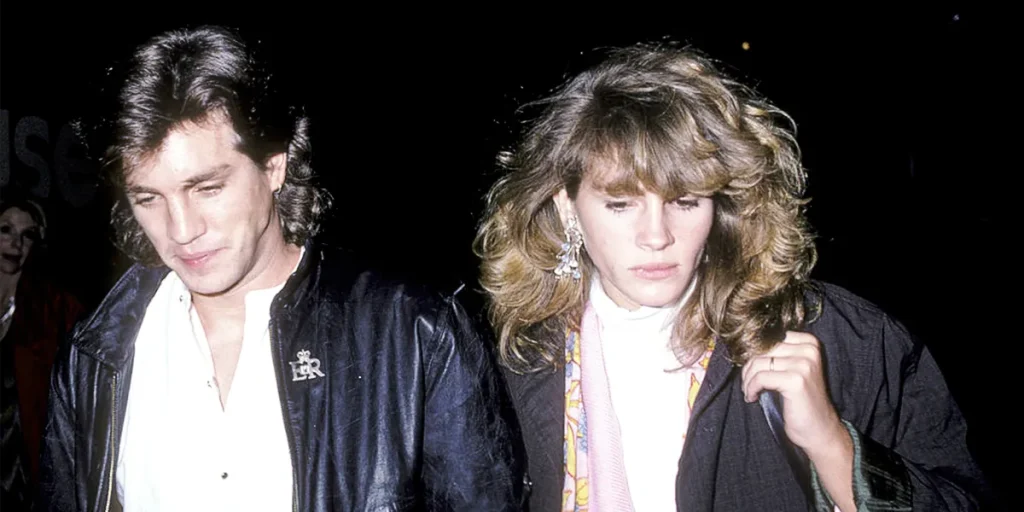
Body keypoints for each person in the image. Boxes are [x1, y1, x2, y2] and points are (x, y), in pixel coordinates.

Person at [473, 43, 991, 511]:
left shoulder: (843, 338)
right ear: (568, 208)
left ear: (721, 203)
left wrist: (833, 444)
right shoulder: (508, 363)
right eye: (621, 203)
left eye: (684, 200)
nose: (657, 235)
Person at [39, 25, 525, 511]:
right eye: (148, 198)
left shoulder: (415, 332)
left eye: (207, 188)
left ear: (275, 166)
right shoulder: (95, 353)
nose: (181, 230)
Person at [1, 194, 85, 512]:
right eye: (6, 230)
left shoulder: (54, 308)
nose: (16, 243)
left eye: (28, 235)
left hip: (19, 466)